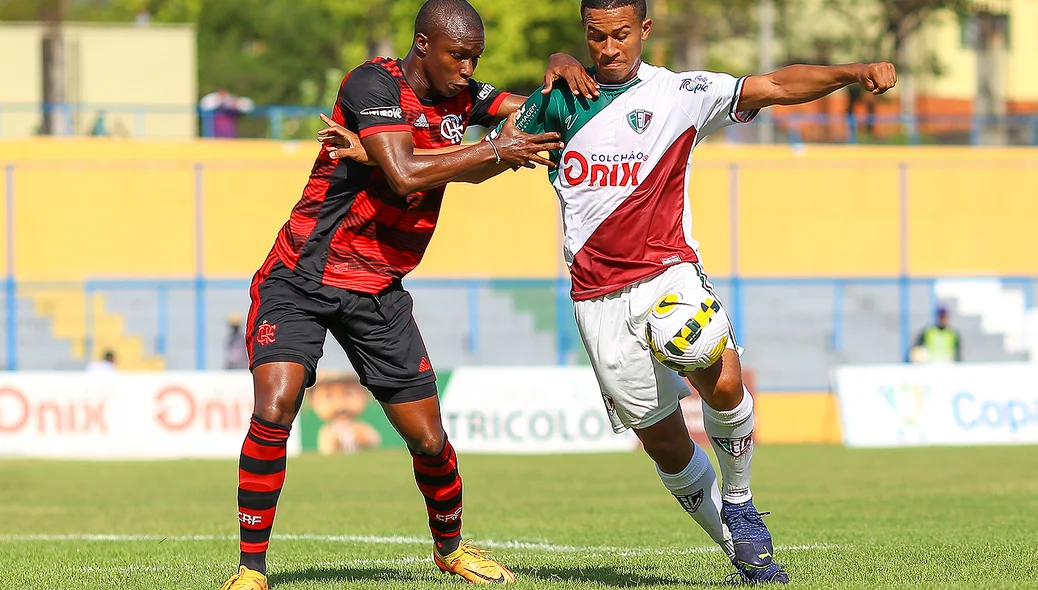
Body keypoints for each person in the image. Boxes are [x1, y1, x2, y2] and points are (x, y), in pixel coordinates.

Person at [324, 0, 896, 584]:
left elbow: (774, 84)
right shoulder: (560, 100)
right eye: (596, 37)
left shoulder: (683, 94)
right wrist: (376, 150)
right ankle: (742, 549)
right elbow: (480, 160)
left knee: (719, 374)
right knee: (666, 445)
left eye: (621, 35)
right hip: (597, 301)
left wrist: (851, 72)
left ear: (645, 30)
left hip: (668, 274)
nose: (609, 48)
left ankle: (743, 499)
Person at [217, 1, 596, 588]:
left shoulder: (463, 97)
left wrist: (560, 61)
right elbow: (404, 172)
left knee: (428, 437)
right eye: (457, 55)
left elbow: (531, 112)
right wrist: (494, 152)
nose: (468, 68)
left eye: (475, 57)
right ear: (423, 45)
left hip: (379, 289)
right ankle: (250, 570)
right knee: (275, 406)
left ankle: (450, 551)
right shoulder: (372, 82)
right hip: (302, 276)